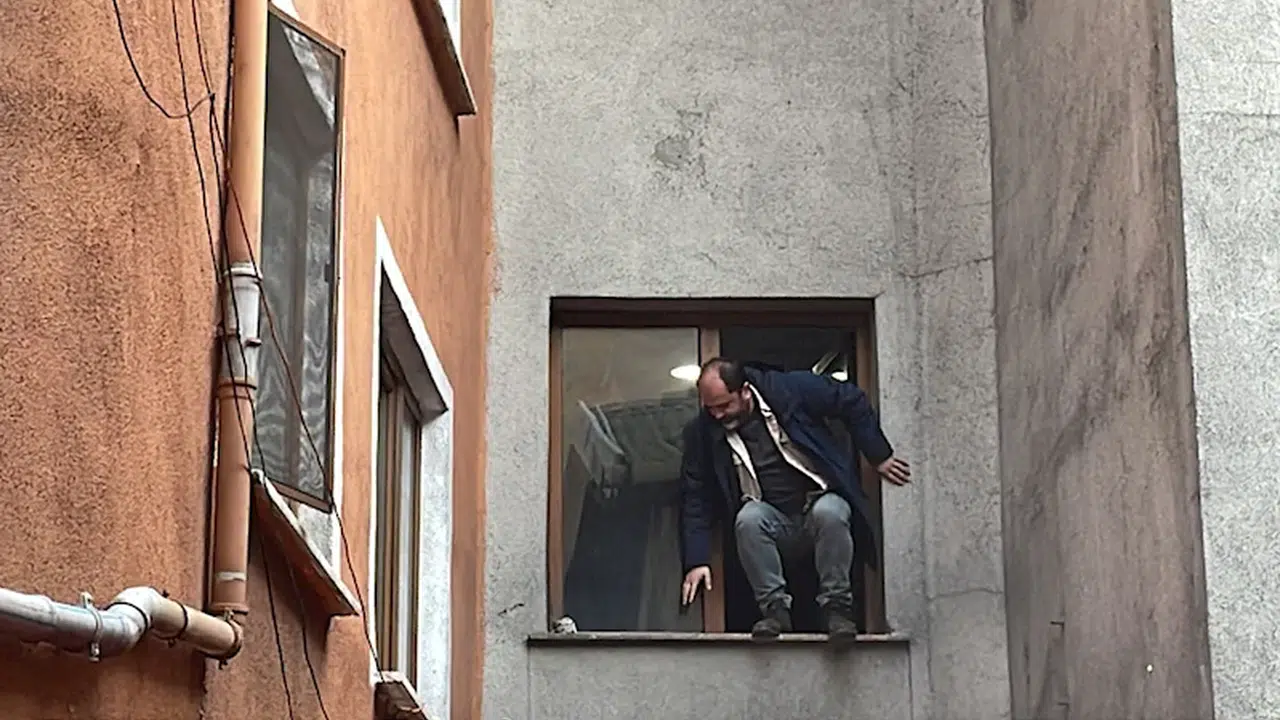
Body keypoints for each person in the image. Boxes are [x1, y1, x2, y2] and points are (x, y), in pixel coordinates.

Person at [678, 357, 910, 643]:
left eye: (724, 406)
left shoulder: (789, 389)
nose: (717, 415)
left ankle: (837, 610)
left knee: (830, 511)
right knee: (748, 519)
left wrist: (878, 454)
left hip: (817, 503)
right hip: (771, 519)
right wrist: (697, 559)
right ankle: (774, 612)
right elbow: (696, 493)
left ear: (745, 391)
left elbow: (851, 399)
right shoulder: (703, 432)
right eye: (710, 408)